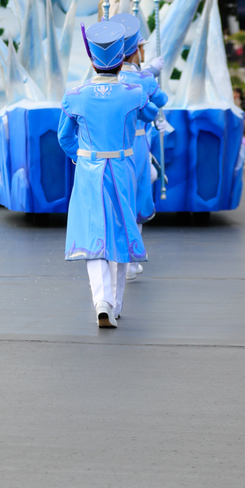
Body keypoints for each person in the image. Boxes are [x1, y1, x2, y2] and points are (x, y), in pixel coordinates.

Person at [58, 21, 159, 328]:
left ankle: (101, 300)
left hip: (89, 170)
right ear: (121, 59)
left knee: (94, 233)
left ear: (92, 61)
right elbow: (152, 114)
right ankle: (114, 304)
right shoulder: (133, 93)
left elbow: (64, 138)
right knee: (121, 233)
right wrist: (148, 80)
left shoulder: (74, 95)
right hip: (122, 169)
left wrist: (82, 156)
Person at [112, 12, 168, 283]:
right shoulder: (143, 80)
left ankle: (116, 256)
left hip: (109, 146)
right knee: (138, 200)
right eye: (141, 46)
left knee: (118, 200)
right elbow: (160, 100)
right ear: (134, 50)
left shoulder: (106, 78)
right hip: (135, 144)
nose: (144, 50)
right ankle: (131, 259)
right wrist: (152, 75)